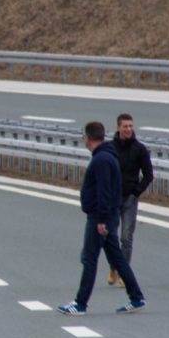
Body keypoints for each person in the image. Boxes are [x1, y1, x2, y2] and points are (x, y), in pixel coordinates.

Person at [57, 121, 146, 316]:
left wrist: (102, 221)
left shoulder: (102, 160)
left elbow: (105, 192)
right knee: (117, 257)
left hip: (100, 217)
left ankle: (80, 303)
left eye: (84, 137)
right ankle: (137, 297)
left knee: (89, 258)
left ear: (88, 138)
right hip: (106, 216)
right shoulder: (106, 156)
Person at [108, 113, 154, 287]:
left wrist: (136, 192)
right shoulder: (110, 148)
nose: (128, 129)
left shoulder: (140, 149)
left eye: (130, 126)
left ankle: (123, 273)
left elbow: (149, 175)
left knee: (126, 237)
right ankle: (113, 268)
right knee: (111, 236)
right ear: (118, 127)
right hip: (112, 199)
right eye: (125, 126)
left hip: (130, 199)